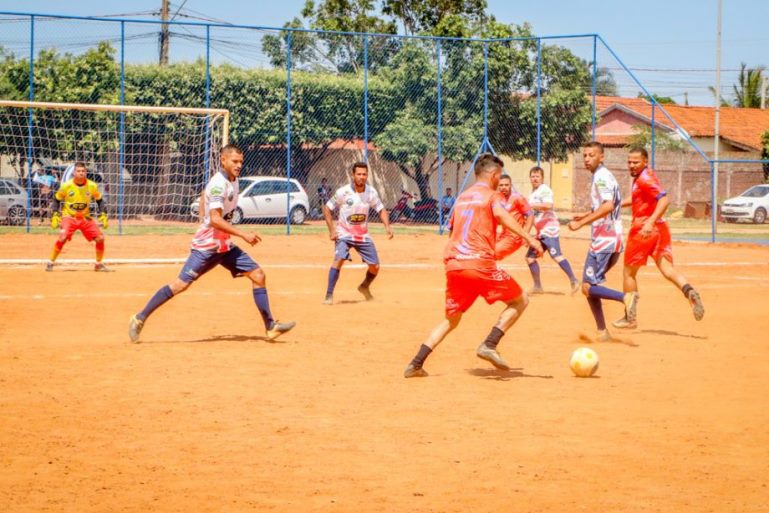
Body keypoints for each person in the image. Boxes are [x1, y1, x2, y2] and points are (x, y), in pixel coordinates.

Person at [128, 144, 295, 343]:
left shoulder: (233, 180)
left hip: (224, 246)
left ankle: (270, 326)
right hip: (206, 247)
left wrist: (203, 214)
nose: (239, 165)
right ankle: (139, 318)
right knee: (180, 285)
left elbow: (204, 198)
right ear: (223, 160)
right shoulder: (218, 184)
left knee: (258, 275)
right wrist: (242, 234)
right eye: (235, 161)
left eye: (241, 161)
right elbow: (215, 219)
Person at [403, 154, 543, 378]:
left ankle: (415, 363)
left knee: (452, 319)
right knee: (520, 300)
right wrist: (530, 238)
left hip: (454, 264)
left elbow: (452, 231)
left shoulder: (462, 198)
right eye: (500, 177)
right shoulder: (492, 195)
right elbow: (501, 215)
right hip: (479, 263)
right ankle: (489, 343)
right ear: (494, 175)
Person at [612, 147, 704, 329]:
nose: (631, 165)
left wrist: (649, 223)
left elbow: (664, 200)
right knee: (667, 270)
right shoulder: (644, 177)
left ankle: (630, 318)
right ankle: (689, 291)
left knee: (629, 273)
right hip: (661, 229)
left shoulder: (645, 178)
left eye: (636, 162)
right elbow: (639, 198)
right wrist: (617, 204)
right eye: (629, 162)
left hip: (644, 229)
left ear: (645, 161)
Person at [567, 142, 628, 343]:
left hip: (605, 240)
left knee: (587, 286)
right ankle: (602, 332)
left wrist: (582, 223)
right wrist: (586, 214)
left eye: (591, 155)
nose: (586, 159)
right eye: (584, 155)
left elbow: (609, 206)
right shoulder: (604, 175)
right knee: (590, 285)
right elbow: (608, 205)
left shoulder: (601, 177)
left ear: (601, 157)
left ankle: (625, 298)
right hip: (612, 238)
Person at [323, 161, 393, 305]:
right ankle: (329, 295)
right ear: (353, 175)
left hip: (362, 235)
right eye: (359, 174)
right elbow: (327, 208)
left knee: (375, 267)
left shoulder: (371, 192)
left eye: (364, 174)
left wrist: (387, 227)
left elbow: (381, 209)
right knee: (339, 260)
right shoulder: (343, 191)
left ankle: (364, 287)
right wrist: (332, 230)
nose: (362, 177)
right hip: (344, 233)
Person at [525, 166, 580, 294]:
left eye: (537, 176)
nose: (534, 178)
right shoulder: (532, 194)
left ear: (542, 178)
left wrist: (531, 206)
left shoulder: (544, 190)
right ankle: (538, 287)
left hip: (549, 229)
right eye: (532, 176)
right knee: (530, 258)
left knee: (556, 255)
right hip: (540, 232)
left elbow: (548, 205)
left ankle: (574, 280)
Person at [46, 162, 109, 272]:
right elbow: (56, 199)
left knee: (100, 238)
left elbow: (99, 200)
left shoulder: (92, 186)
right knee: (63, 237)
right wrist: (55, 214)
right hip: (69, 217)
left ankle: (98, 264)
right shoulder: (66, 186)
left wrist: (103, 213)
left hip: (85, 217)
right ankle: (50, 262)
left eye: (83, 171)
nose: (81, 173)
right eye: (78, 171)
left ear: (86, 172)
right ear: (74, 173)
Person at [494, 174, 534, 260]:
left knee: (493, 253)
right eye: (501, 185)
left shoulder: (517, 198)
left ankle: (494, 272)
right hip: (503, 235)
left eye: (506, 185)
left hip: (515, 237)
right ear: (498, 186)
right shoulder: (497, 198)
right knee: (484, 251)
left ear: (511, 185)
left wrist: (525, 236)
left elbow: (530, 215)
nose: (504, 187)